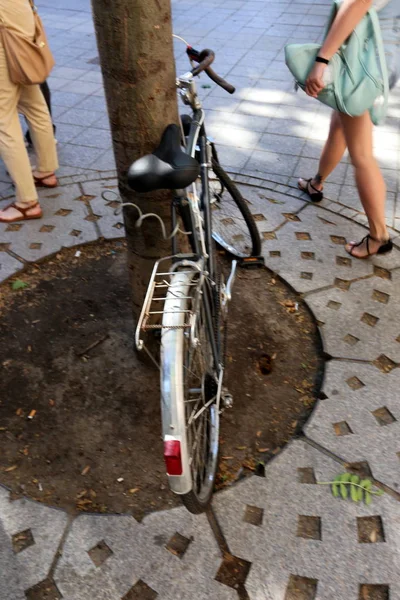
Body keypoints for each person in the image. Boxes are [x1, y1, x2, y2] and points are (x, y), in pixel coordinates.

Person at [298, 0, 399, 258]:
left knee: (361, 155)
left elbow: (356, 4)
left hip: (363, 66)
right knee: (339, 125)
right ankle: (316, 183)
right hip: (379, 57)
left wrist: (322, 59)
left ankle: (379, 236)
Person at [0, 0, 58, 224]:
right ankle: (46, 171)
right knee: (35, 106)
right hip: (20, 22)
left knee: (4, 121)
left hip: (4, 35)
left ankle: (26, 203)